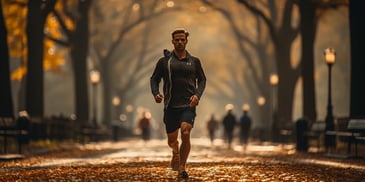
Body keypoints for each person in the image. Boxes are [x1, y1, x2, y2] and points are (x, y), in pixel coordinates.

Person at [150, 28, 206, 179]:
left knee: (186, 132)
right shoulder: (164, 62)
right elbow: (154, 79)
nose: (180, 42)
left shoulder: (194, 61)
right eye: (177, 40)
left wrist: (197, 95)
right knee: (172, 140)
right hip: (170, 106)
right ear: (172, 41)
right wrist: (156, 93)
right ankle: (175, 151)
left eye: (182, 39)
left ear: (187, 41)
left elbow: (202, 80)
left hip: (188, 105)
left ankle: (182, 167)